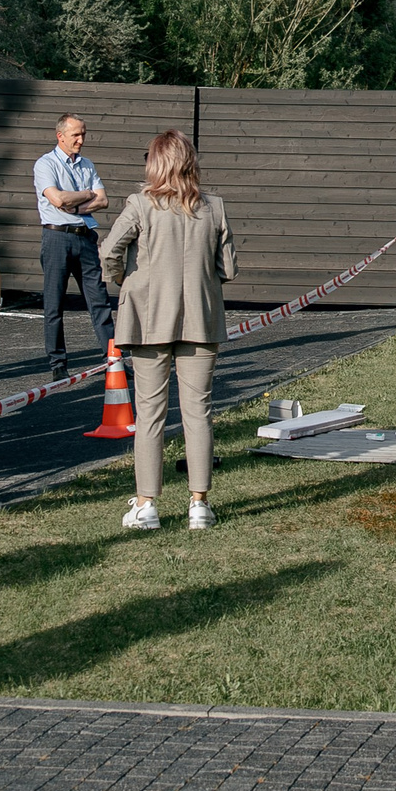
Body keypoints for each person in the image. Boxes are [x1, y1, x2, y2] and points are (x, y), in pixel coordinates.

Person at [98, 130, 236, 533]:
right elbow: (228, 268)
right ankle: (199, 504)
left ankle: (147, 505)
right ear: (190, 162)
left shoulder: (140, 204)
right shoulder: (214, 207)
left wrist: (126, 279)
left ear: (154, 163)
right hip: (200, 318)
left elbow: (109, 251)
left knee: (150, 414)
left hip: (148, 318)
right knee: (198, 413)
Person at [34, 114, 116, 380]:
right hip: (57, 237)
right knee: (54, 303)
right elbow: (57, 199)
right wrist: (88, 194)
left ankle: (112, 358)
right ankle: (57, 363)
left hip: (85, 236)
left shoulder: (87, 164)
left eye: (83, 134)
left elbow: (103, 200)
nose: (81, 140)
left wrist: (76, 202)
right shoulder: (45, 164)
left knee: (99, 301)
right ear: (60, 136)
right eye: (76, 135)